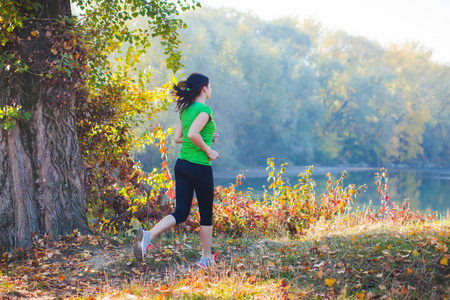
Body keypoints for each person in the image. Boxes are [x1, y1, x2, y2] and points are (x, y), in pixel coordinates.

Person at [133, 73, 219, 268]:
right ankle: (206, 259)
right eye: (210, 86)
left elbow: (179, 138)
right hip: (199, 167)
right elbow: (192, 134)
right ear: (204, 88)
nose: (211, 89)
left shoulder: (186, 111)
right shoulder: (205, 110)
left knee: (181, 212)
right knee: (206, 213)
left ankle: (149, 235)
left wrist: (206, 139)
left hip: (182, 166)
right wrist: (209, 150)